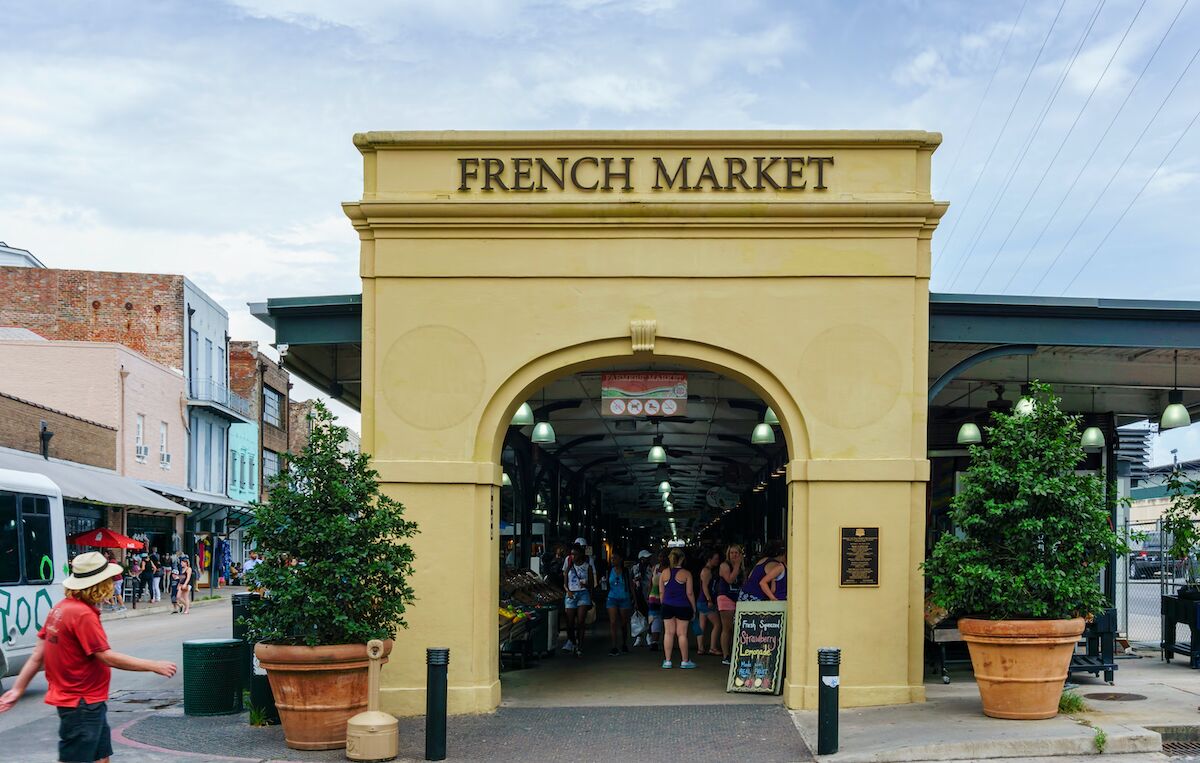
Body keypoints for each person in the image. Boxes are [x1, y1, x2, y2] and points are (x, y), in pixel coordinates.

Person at [0, 551, 177, 763]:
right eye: (109, 580)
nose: (113, 584)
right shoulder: (82, 614)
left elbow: (38, 654)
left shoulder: (60, 609)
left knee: (101, 757)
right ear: (99, 584)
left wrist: (17, 689)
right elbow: (105, 656)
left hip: (84, 702)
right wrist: (153, 665)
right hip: (82, 704)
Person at [659, 548, 697, 669]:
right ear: (682, 559)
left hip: (667, 605)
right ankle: (685, 661)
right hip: (683, 606)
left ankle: (667, 661)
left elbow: (661, 592)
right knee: (682, 634)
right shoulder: (686, 573)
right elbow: (690, 593)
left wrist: (664, 603)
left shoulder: (664, 572)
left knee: (668, 633)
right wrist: (694, 608)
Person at [561, 544, 595, 656]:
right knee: (569, 622)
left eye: (575, 554)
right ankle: (572, 641)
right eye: (571, 554)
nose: (573, 556)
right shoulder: (569, 567)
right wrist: (568, 591)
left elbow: (591, 584)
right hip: (571, 595)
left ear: (580, 554)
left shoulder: (587, 567)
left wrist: (586, 586)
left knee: (581, 621)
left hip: (583, 594)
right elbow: (565, 584)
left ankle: (580, 645)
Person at [717, 543, 745, 664]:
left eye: (736, 553)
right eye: (732, 553)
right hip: (726, 597)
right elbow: (730, 579)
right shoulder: (724, 565)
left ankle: (737, 652)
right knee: (727, 627)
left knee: (738, 628)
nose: (734, 555)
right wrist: (737, 565)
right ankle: (726, 655)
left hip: (738, 597)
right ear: (728, 554)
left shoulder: (742, 567)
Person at [604, 550, 634, 656]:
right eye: (611, 558)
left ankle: (624, 643)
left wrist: (634, 599)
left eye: (615, 558)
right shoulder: (609, 570)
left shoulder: (626, 571)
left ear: (620, 559)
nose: (612, 560)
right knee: (613, 623)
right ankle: (614, 646)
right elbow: (606, 583)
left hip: (624, 597)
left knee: (623, 623)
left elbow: (631, 586)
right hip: (612, 597)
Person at [696, 549, 722, 656]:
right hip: (706, 601)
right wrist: (709, 599)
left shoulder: (707, 570)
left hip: (701, 601)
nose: (717, 561)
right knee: (717, 624)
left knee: (702, 625)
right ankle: (712, 647)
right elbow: (705, 587)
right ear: (709, 559)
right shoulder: (706, 571)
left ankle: (700, 648)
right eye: (715, 559)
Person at [630, 550, 653, 647]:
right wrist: (634, 598)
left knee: (649, 615)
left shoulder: (650, 568)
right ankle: (638, 636)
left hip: (648, 594)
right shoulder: (634, 568)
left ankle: (649, 635)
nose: (647, 559)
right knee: (638, 615)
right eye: (645, 558)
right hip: (638, 594)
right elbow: (632, 584)